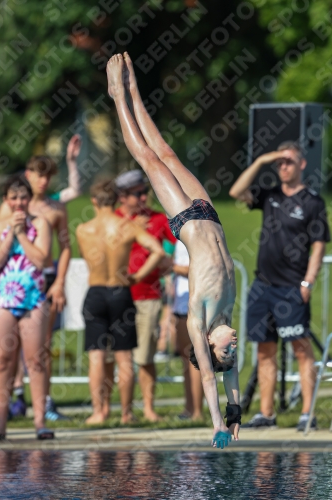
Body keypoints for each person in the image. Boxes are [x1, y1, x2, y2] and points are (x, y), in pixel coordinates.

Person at [106, 53, 240, 449]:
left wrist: (218, 421)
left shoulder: (199, 323)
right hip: (208, 211)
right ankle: (133, 88)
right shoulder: (228, 316)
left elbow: (211, 378)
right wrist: (237, 411)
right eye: (233, 351)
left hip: (184, 219)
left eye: (227, 351)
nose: (233, 346)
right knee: (166, 151)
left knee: (147, 158)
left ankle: (117, 95)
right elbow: (230, 375)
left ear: (211, 349)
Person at [229, 142, 330, 431]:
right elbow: (236, 192)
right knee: (264, 351)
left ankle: (307, 414)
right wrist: (262, 160)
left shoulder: (312, 201)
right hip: (263, 286)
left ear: (301, 164)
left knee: (301, 348)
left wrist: (308, 281)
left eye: (288, 161)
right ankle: (266, 414)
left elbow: (319, 245)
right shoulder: (269, 196)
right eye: (279, 163)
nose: (283, 167)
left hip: (292, 287)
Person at [0, 135, 81, 421]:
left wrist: (59, 281)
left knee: (39, 347)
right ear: (28, 175)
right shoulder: (13, 206)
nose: (43, 182)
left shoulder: (54, 207)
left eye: (48, 176)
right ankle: (13, 399)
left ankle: (42, 404)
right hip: (14, 281)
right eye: (39, 175)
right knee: (8, 349)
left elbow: (67, 247)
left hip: (43, 278)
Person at [76, 179, 165, 424]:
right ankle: (126, 413)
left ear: (93, 201)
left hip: (95, 292)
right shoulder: (127, 227)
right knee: (123, 357)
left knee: (96, 356)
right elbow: (157, 250)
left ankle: (99, 412)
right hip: (120, 292)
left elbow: (85, 256)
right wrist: (137, 276)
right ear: (116, 200)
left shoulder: (83, 230)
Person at [115, 169, 176, 422]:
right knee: (117, 357)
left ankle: (149, 409)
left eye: (144, 192)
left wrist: (166, 268)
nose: (143, 198)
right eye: (137, 194)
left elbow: (173, 253)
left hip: (148, 295)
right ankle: (124, 412)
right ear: (122, 197)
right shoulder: (113, 219)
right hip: (117, 296)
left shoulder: (159, 219)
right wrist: (129, 229)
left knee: (145, 356)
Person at [0, 175, 54, 440]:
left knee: (36, 361)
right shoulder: (0, 225)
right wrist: (10, 234)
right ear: (6, 200)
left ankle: (40, 421)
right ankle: (0, 424)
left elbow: (42, 260)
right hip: (5, 299)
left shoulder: (40, 224)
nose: (19, 202)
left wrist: (22, 233)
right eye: (14, 197)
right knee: (2, 361)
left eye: (23, 197)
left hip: (33, 299)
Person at [173, 240, 204, 420]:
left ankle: (198, 411)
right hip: (181, 305)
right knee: (186, 358)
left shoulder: (198, 232)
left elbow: (200, 269)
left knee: (195, 358)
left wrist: (172, 267)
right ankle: (190, 407)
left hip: (194, 304)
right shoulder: (181, 233)